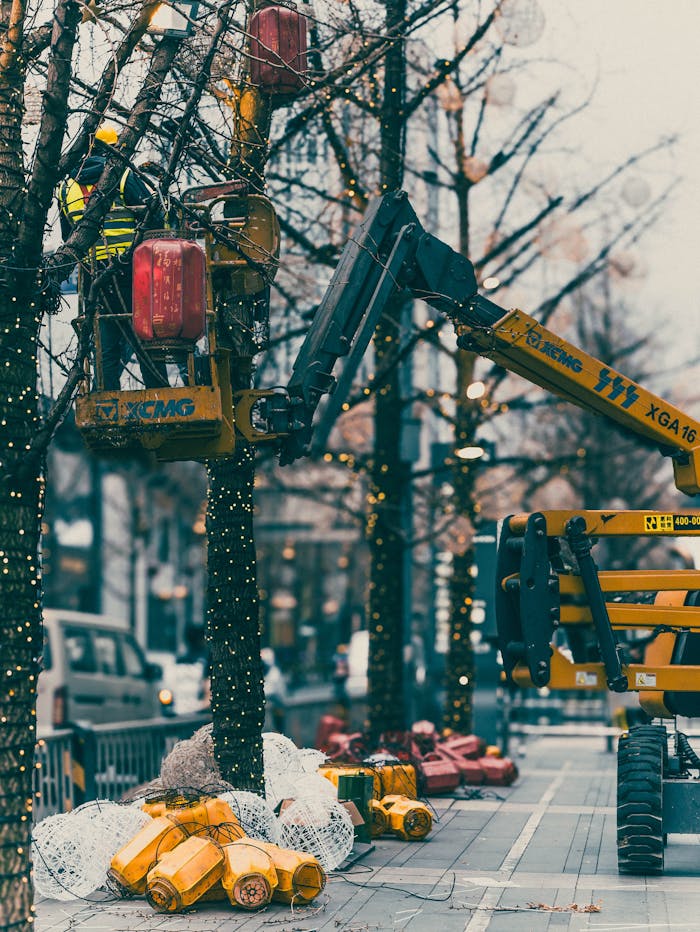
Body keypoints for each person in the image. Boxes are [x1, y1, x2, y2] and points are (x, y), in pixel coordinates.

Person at [57, 123, 167, 391]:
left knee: (105, 339)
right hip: (131, 268)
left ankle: (107, 396)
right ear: (115, 148)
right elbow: (154, 216)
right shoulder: (121, 175)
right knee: (144, 334)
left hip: (95, 275)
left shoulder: (66, 187)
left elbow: (68, 237)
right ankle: (159, 394)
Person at [261, 647, 287, 732]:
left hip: (277, 706)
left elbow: (271, 691)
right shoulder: (267, 673)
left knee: (278, 730)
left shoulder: (274, 673)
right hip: (271, 707)